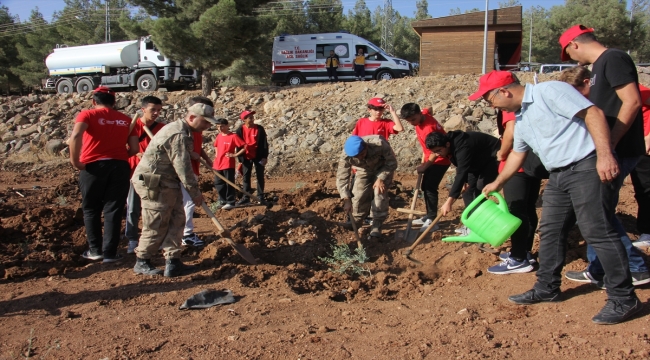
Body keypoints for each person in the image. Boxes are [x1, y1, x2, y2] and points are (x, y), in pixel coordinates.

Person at [476, 70, 640, 325]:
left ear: (504, 91)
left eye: (489, 100)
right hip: (558, 176)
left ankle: (624, 298)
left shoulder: (548, 91)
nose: (491, 105)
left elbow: (593, 114)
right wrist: (498, 182)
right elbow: (518, 154)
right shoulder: (521, 118)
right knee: (551, 231)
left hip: (586, 166)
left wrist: (605, 154)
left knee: (598, 231)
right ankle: (546, 288)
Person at [559, 26, 650, 286]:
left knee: (598, 213)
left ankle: (635, 267)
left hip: (617, 150)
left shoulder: (613, 59)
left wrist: (608, 145)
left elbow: (632, 101)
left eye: (569, 54)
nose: (573, 61)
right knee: (597, 210)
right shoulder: (600, 66)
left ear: (574, 44)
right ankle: (598, 268)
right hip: (610, 150)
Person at [131, 103, 218, 277]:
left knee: (177, 218)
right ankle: (142, 260)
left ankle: (173, 261)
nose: (207, 126)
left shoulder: (185, 131)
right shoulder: (177, 133)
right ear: (192, 117)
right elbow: (183, 167)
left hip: (169, 182)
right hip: (153, 182)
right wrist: (195, 193)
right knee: (157, 221)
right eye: (205, 122)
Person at [69, 86, 139, 262]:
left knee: (91, 208)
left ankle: (95, 250)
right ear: (114, 102)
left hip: (93, 166)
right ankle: (109, 253)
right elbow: (135, 148)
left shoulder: (87, 115)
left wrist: (75, 161)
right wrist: (120, 157)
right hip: (120, 167)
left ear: (94, 101)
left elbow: (76, 135)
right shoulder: (125, 119)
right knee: (113, 209)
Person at [487, 110, 546, 274]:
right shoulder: (526, 105)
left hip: (516, 168)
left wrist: (502, 152)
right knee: (528, 208)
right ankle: (524, 251)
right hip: (531, 163)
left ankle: (518, 258)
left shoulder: (508, 108)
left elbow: (511, 130)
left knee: (516, 211)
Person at [425, 131, 500, 220]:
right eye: (434, 152)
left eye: (438, 150)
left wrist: (449, 202)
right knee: (467, 192)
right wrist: (464, 181)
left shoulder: (462, 146)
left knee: (480, 190)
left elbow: (462, 171)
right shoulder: (447, 147)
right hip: (475, 162)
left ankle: (486, 219)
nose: (437, 154)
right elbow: (461, 166)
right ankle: (472, 221)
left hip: (493, 157)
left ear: (447, 144)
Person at [399, 103, 451, 232]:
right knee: (425, 186)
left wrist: (425, 166)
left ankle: (432, 220)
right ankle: (429, 214)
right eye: (408, 121)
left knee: (430, 188)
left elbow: (436, 152)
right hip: (430, 158)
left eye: (413, 120)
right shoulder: (424, 115)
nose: (411, 123)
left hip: (440, 160)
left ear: (419, 114)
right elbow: (429, 108)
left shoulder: (429, 129)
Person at [336, 135, 397, 238]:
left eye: (362, 154)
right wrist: (346, 199)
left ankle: (376, 225)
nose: (361, 157)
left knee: (379, 193)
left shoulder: (379, 144)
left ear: (366, 147)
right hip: (363, 170)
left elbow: (392, 163)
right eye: (357, 156)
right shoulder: (346, 156)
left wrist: (380, 179)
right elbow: (342, 177)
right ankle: (356, 223)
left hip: (382, 168)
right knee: (358, 195)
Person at [125, 96, 164, 254]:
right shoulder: (132, 125)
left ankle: (154, 238)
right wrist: (138, 154)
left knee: (153, 207)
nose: (156, 113)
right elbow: (124, 145)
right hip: (134, 171)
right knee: (133, 207)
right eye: (153, 110)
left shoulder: (161, 127)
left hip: (153, 172)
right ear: (143, 109)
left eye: (159, 110)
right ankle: (132, 238)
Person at [181, 96, 214, 247]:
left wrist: (206, 158)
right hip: (182, 171)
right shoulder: (183, 130)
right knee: (188, 203)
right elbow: (178, 156)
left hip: (193, 168)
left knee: (187, 203)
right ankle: (186, 235)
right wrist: (190, 154)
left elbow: (197, 146)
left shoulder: (197, 128)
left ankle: (181, 233)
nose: (207, 125)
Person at [235, 110, 269, 205]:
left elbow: (264, 144)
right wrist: (240, 159)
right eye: (250, 117)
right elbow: (238, 145)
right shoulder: (240, 130)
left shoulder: (259, 129)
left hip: (258, 156)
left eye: (252, 117)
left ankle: (260, 196)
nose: (252, 119)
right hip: (246, 156)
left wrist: (265, 157)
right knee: (246, 176)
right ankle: (246, 196)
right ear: (244, 120)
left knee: (260, 176)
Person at [631, 84, 650, 248]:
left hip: (643, 144)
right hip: (624, 145)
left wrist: (649, 134)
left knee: (645, 188)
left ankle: (647, 230)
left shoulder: (639, 89)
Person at [213, 118, 246, 210]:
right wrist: (216, 154)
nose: (220, 128)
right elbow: (215, 145)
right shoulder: (219, 136)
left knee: (229, 183)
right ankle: (222, 200)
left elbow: (244, 146)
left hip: (228, 163)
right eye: (218, 126)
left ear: (227, 126)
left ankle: (231, 201)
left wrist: (235, 154)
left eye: (222, 126)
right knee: (218, 182)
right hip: (218, 163)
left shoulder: (233, 136)